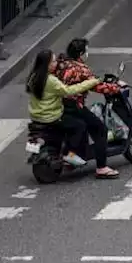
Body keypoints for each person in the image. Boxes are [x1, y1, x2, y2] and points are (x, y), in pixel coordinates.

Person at [54, 38, 122, 179]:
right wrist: (115, 88)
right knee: (100, 130)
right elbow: (96, 86)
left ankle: (72, 158)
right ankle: (102, 168)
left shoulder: (60, 64)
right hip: (73, 106)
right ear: (80, 53)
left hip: (56, 105)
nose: (87, 54)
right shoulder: (81, 69)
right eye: (86, 51)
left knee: (83, 126)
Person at [25, 49, 100, 172]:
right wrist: (92, 82)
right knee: (80, 125)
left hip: (36, 116)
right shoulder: (51, 81)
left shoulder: (34, 76)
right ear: (46, 65)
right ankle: (69, 154)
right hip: (51, 116)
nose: (56, 63)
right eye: (53, 61)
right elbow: (68, 91)